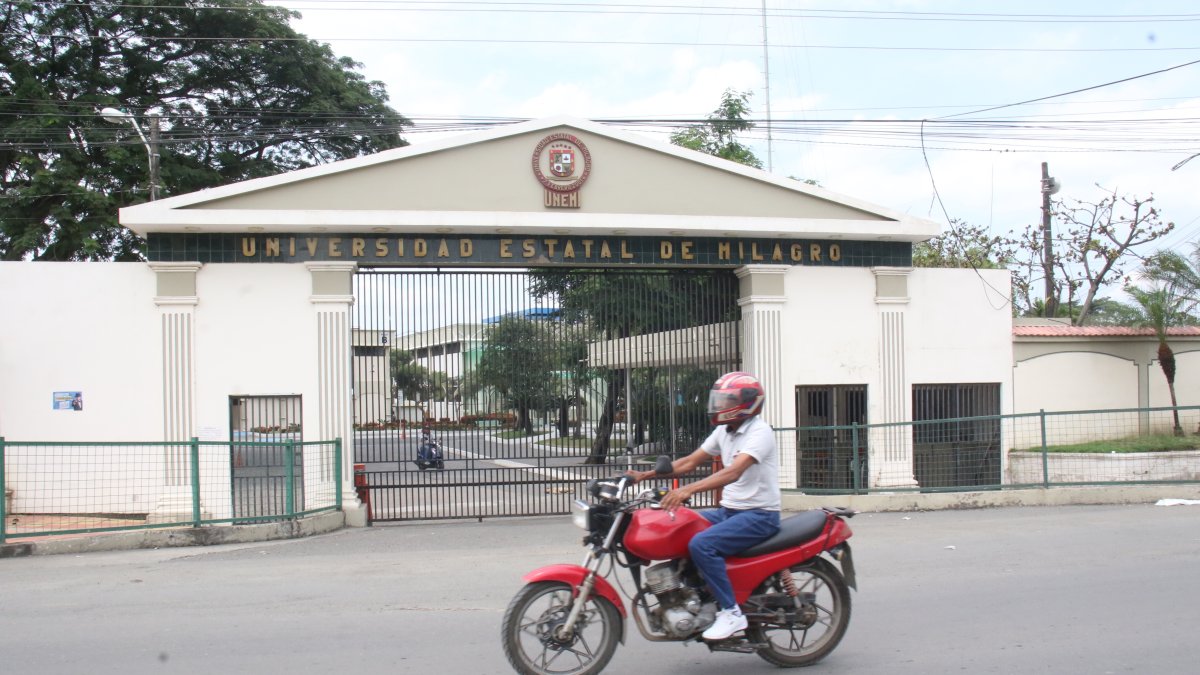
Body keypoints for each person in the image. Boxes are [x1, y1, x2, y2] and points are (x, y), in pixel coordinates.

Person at [626, 371, 781, 641]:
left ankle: (732, 613)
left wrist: (688, 489)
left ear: (746, 403)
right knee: (681, 528)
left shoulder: (760, 432)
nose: (720, 406)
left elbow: (733, 472)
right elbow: (689, 462)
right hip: (730, 511)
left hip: (759, 515)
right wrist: (643, 475)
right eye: (719, 400)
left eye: (727, 400)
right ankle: (694, 595)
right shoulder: (724, 431)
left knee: (702, 544)